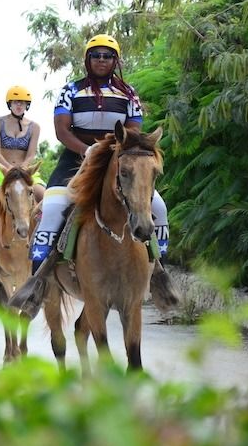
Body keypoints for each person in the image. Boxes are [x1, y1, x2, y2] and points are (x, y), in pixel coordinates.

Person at [9, 34, 171, 317]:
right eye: (96, 55)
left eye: (107, 56)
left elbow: (133, 132)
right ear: (87, 59)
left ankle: (159, 273)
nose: (101, 60)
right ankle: (37, 283)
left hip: (120, 163)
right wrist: (87, 150)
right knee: (53, 207)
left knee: (158, 206)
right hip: (75, 160)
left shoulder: (128, 94)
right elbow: (62, 130)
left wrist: (113, 154)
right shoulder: (70, 90)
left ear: (115, 60)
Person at [0, 86, 45, 202]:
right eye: (16, 102)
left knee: (44, 196)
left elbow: (31, 155)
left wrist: (21, 170)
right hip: (2, 171)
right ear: (10, 104)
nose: (19, 105)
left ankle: (40, 220)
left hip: (25, 171)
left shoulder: (34, 127)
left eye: (22, 103)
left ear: (27, 105)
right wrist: (10, 169)